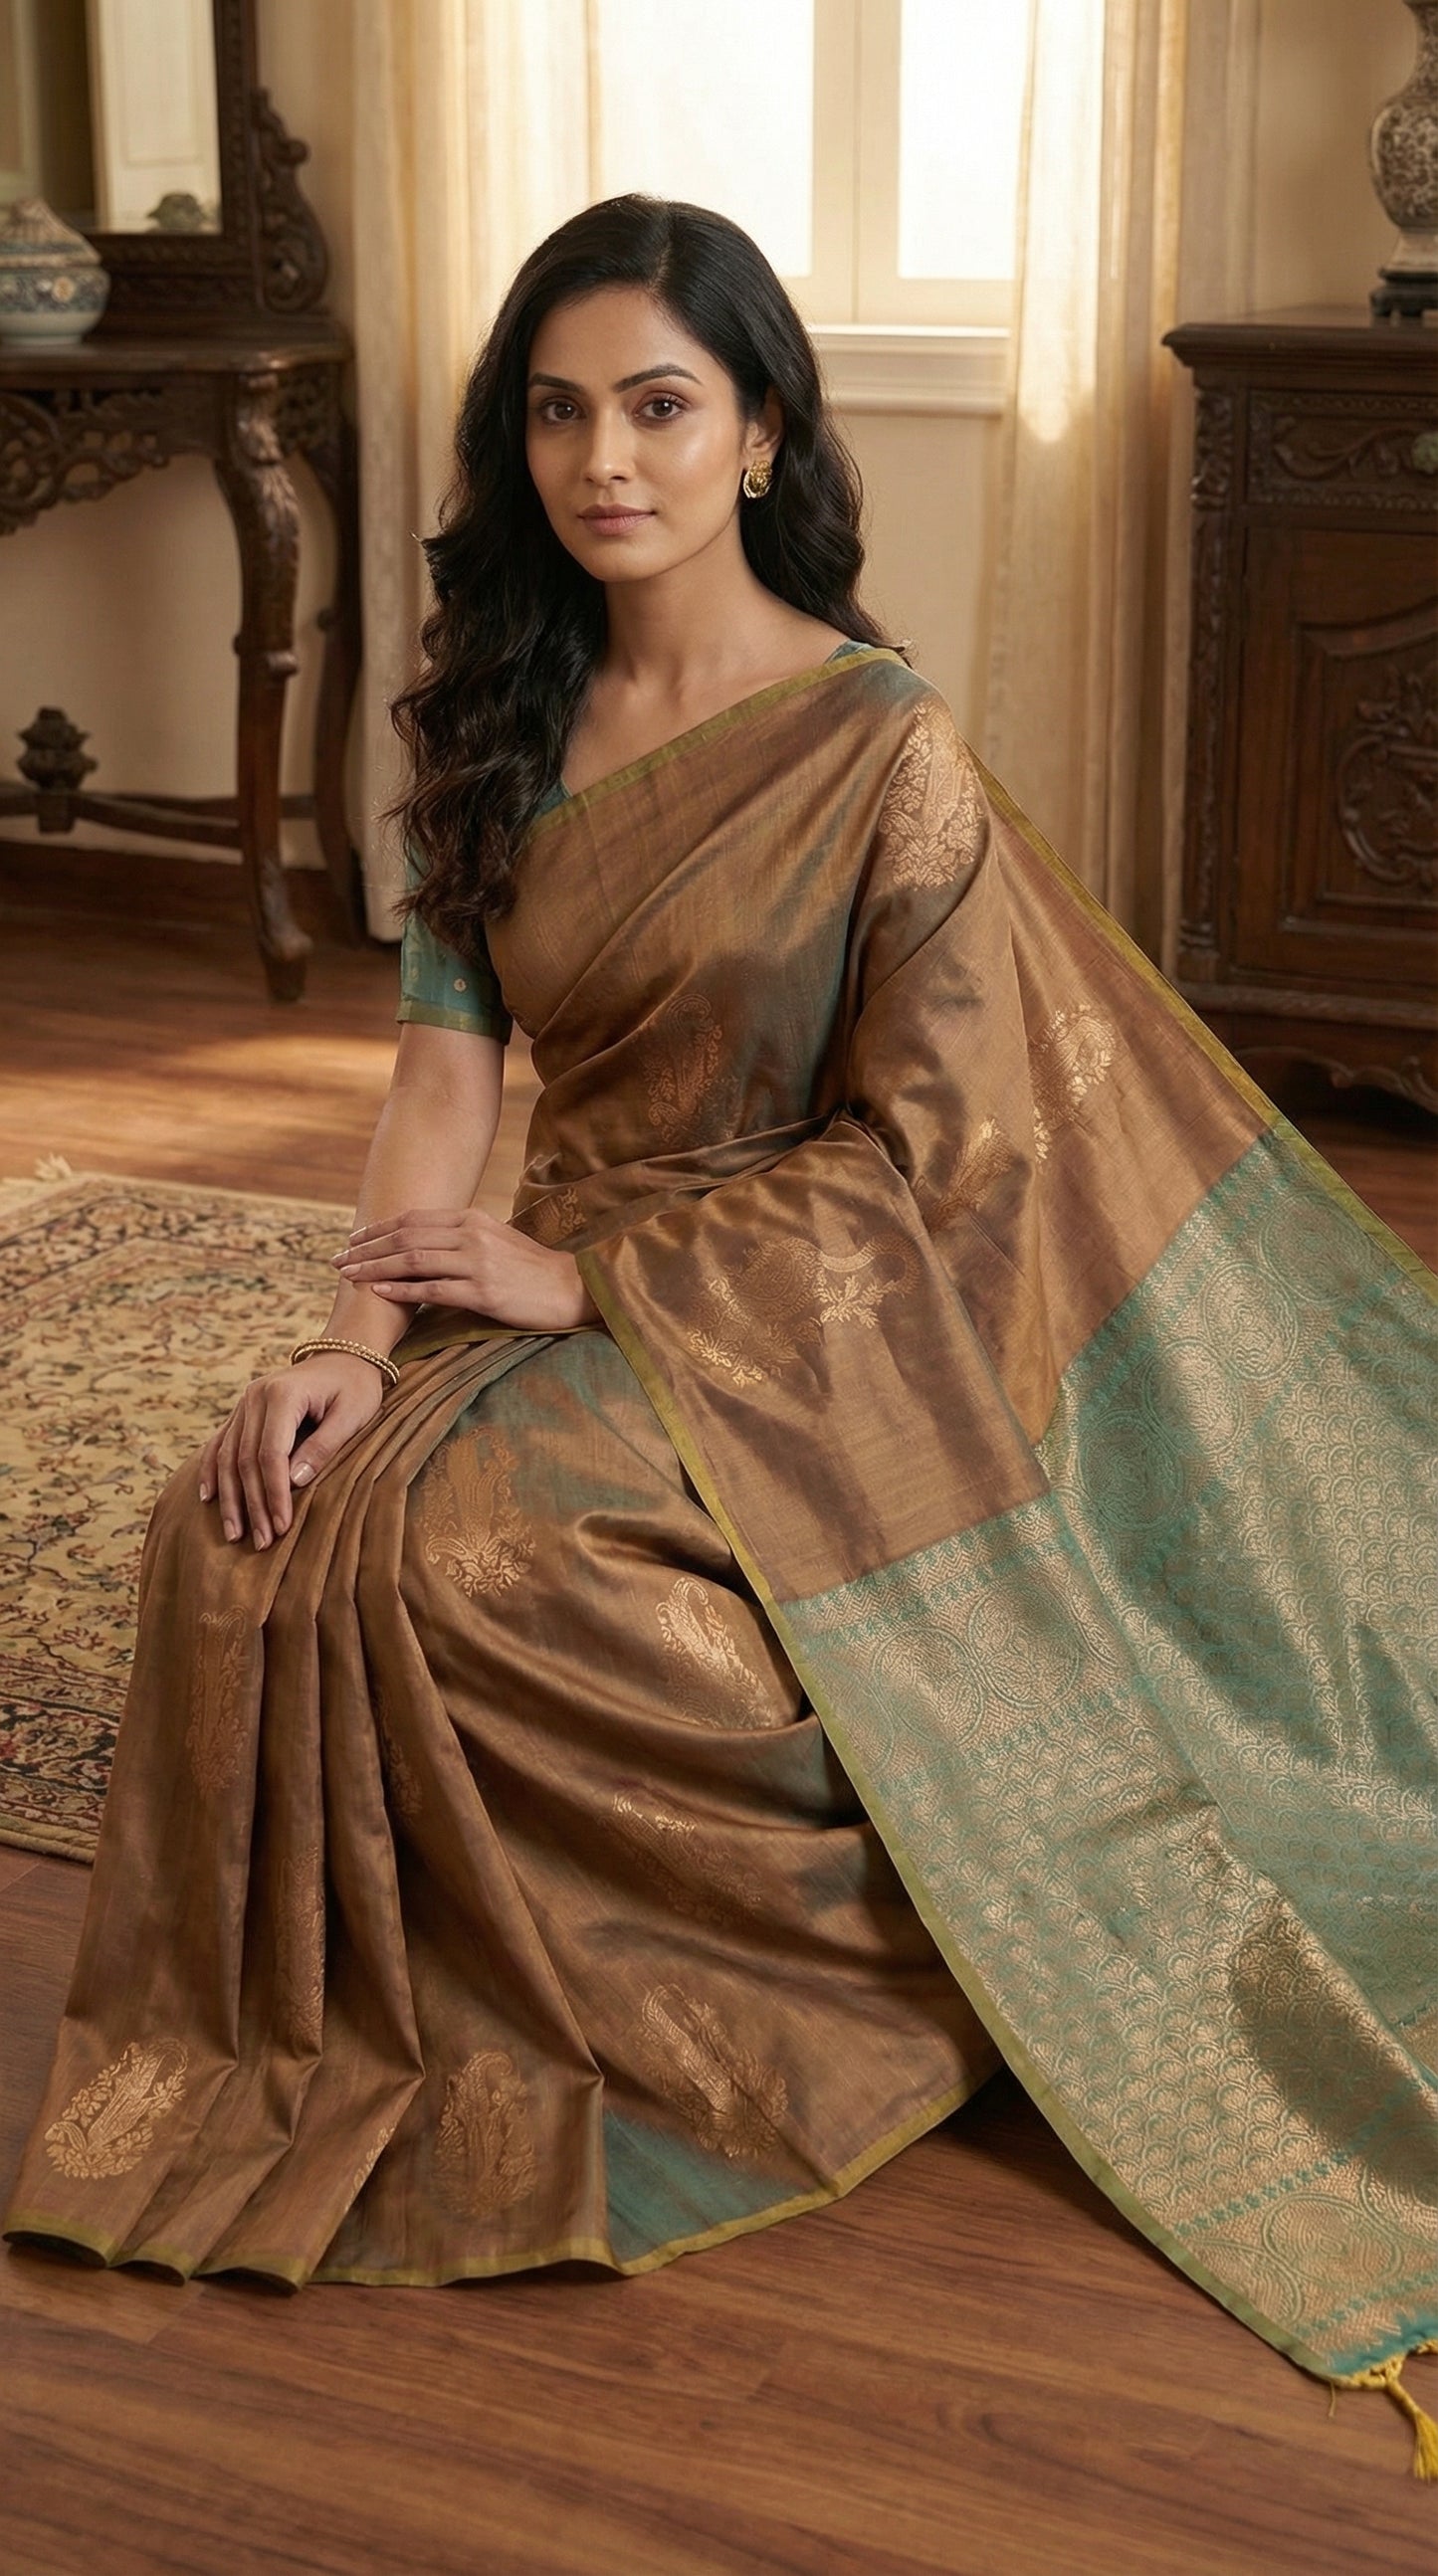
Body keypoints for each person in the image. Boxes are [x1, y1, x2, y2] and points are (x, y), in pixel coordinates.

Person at [6, 197, 1435, 2468]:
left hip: (805, 1307)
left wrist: (604, 1286)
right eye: (558, 412)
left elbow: (945, 1153)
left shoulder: (877, 747)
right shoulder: (495, 708)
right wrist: (354, 1338)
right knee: (247, 1524)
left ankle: (890, 1925)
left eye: (661, 407)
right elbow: (446, 1070)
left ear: (761, 430)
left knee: (513, 1570)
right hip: (543, 1267)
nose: (608, 461)